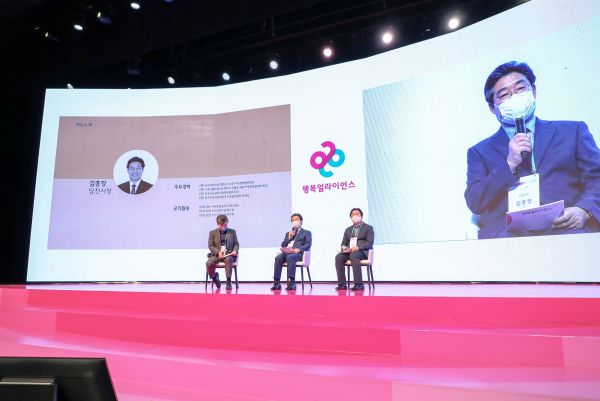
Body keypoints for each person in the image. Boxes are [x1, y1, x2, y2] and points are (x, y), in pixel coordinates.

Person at [465, 61, 600, 239]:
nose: (514, 97)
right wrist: (509, 164)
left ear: (533, 92)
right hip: (508, 239)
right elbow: (475, 202)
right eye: (504, 94)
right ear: (492, 108)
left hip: (567, 231)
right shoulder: (479, 152)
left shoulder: (573, 131)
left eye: (520, 89)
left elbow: (597, 178)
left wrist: (584, 211)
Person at [334, 208, 374, 291]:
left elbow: (370, 242)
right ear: (351, 217)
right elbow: (343, 243)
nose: (355, 216)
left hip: (362, 251)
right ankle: (342, 285)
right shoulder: (348, 230)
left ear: (361, 216)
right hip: (349, 251)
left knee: (354, 255)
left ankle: (359, 284)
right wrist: (344, 247)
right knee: (338, 257)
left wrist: (358, 247)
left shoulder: (368, 228)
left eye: (357, 214)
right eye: (353, 214)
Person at [271, 213, 312, 291]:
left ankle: (292, 283)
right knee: (278, 258)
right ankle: (276, 283)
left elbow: (308, 244)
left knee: (290, 257)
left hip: (298, 254)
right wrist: (289, 238)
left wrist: (299, 249)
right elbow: (283, 245)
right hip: (288, 253)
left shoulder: (307, 232)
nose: (294, 221)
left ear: (301, 221)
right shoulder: (289, 233)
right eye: (292, 220)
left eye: (296, 219)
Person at [206, 214, 239, 290]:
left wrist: (235, 250)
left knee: (228, 259)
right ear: (218, 224)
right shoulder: (212, 233)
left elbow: (236, 243)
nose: (224, 227)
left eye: (226, 225)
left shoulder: (232, 232)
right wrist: (218, 252)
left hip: (228, 254)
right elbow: (210, 245)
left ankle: (228, 281)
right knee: (208, 263)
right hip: (216, 255)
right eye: (222, 225)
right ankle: (215, 278)